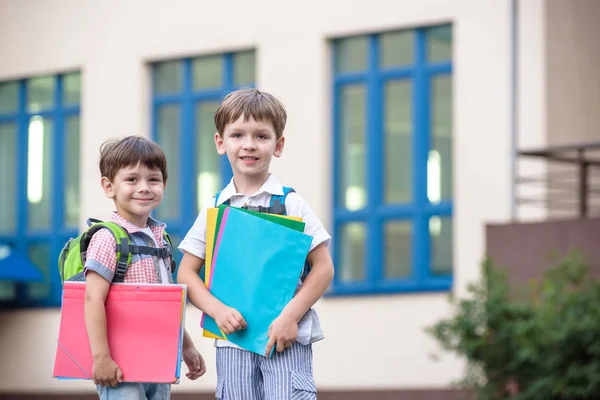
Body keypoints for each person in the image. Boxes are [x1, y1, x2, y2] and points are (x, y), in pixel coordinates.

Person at [177, 88, 334, 399]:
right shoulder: (214, 211)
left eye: (261, 136)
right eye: (237, 135)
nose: (249, 145)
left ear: (278, 144)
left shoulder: (291, 203)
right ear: (220, 142)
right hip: (232, 338)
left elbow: (323, 268)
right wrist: (217, 310)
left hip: (284, 338)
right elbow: (185, 274)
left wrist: (290, 316)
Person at [84, 136, 206, 399]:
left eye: (153, 179)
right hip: (121, 365)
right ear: (108, 186)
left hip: (158, 359)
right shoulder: (108, 238)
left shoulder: (161, 239)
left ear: (164, 184)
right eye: (131, 179)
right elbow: (93, 299)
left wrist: (186, 346)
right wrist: (101, 358)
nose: (144, 187)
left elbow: (166, 304)